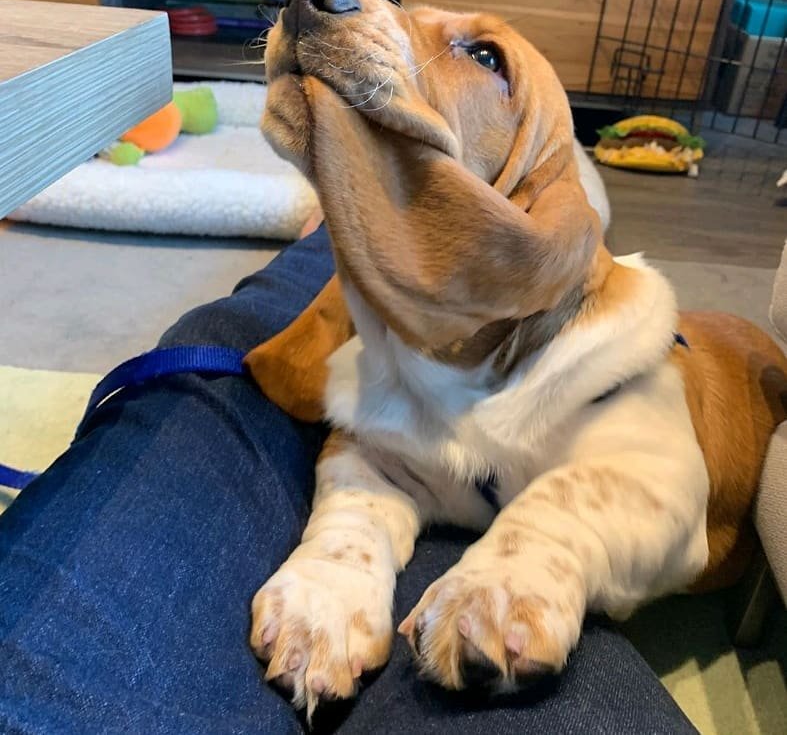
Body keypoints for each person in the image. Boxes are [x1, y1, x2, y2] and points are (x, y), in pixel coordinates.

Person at [0, 227, 696, 734]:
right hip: (447, 429)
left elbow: (674, 508)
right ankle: (343, 249)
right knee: (331, 307)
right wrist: (343, 548)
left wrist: (542, 542)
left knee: (257, 320)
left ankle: (330, 246)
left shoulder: (633, 369)